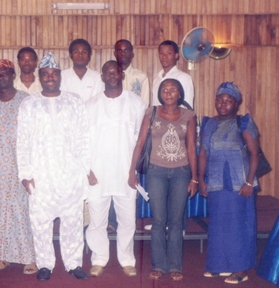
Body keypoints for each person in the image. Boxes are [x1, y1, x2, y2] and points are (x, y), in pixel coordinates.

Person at [17, 52, 90, 282]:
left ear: (60, 76)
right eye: (46, 74)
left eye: (54, 74)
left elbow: (84, 138)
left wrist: (84, 171)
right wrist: (25, 174)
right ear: (40, 76)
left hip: (70, 174)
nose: (50, 77)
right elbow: (22, 140)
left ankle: (73, 263)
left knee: (73, 222)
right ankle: (45, 264)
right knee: (40, 223)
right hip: (41, 175)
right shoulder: (29, 104)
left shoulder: (74, 101)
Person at [129, 78, 198, 281]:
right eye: (165, 90)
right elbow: (140, 142)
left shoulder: (188, 115)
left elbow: (192, 147)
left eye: (173, 89)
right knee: (159, 220)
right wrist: (131, 171)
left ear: (179, 93)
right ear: (160, 93)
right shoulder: (151, 113)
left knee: (176, 221)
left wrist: (194, 178)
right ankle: (158, 264)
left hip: (181, 172)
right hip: (156, 171)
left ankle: (175, 265)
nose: (168, 93)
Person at [85, 60, 146, 278]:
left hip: (126, 173)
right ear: (102, 76)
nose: (112, 75)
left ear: (122, 75)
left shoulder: (136, 103)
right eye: (108, 72)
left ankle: (127, 260)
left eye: (116, 71)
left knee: (127, 220)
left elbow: (141, 141)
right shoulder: (90, 105)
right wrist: (87, 169)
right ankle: (99, 259)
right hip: (97, 173)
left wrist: (133, 170)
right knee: (97, 220)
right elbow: (82, 140)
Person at [198, 82, 258, 284]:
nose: (223, 104)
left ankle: (240, 269)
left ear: (236, 103)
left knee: (237, 226)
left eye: (228, 100)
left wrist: (249, 183)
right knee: (217, 225)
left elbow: (254, 154)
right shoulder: (208, 124)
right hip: (215, 182)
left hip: (239, 185)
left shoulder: (244, 123)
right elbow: (203, 153)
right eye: (220, 100)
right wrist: (200, 179)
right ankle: (218, 265)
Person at [0, 59, 37, 275]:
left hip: (22, 166)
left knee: (23, 211)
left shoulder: (27, 101)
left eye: (4, 73)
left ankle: (29, 257)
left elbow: (36, 135)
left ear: (13, 75)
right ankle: (2, 255)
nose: (0, 78)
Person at [152, 40, 194, 108]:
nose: (164, 56)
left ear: (176, 56)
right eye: (161, 53)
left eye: (169, 53)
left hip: (177, 118)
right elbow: (154, 106)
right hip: (157, 118)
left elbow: (187, 108)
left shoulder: (184, 78)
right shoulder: (157, 79)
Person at [114, 39, 150, 106]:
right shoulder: (109, 77)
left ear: (132, 54)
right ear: (115, 54)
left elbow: (144, 105)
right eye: (119, 50)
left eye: (126, 50)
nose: (123, 53)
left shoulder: (142, 77)